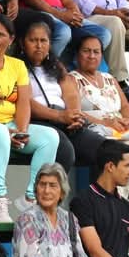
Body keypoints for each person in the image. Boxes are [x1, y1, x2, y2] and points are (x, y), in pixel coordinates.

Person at [0, 14, 60, 224]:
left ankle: (31, 198)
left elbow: (23, 102)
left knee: (50, 136)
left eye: (0, 35)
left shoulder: (17, 65)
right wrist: (4, 132)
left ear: (11, 39)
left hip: (10, 126)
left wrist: (21, 131)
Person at [67, 34, 129, 199]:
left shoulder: (110, 78)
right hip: (98, 132)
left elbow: (125, 106)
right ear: (77, 54)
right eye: (86, 51)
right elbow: (75, 112)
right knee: (118, 155)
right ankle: (116, 201)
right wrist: (105, 123)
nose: (92, 56)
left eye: (96, 52)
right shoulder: (71, 79)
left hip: (120, 132)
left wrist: (127, 120)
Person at [17, 18, 106, 171]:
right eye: (33, 40)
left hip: (65, 119)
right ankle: (49, 187)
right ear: (22, 43)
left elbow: (71, 94)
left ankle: (96, 188)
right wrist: (59, 116)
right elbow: (26, 102)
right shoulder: (17, 66)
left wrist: (75, 115)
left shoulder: (56, 65)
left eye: (43, 40)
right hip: (40, 120)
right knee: (65, 152)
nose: (39, 45)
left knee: (107, 150)